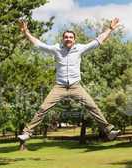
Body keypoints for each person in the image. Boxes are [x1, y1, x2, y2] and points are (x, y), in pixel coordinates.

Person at [18, 18, 120, 149]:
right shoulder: (56, 49)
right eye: (66, 37)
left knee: (92, 107)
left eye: (71, 37)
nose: (68, 39)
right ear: (63, 39)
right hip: (59, 87)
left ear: (74, 39)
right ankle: (27, 133)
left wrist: (110, 29)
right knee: (43, 108)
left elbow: (97, 41)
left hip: (75, 86)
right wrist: (26, 32)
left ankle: (109, 131)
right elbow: (38, 44)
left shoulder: (80, 49)